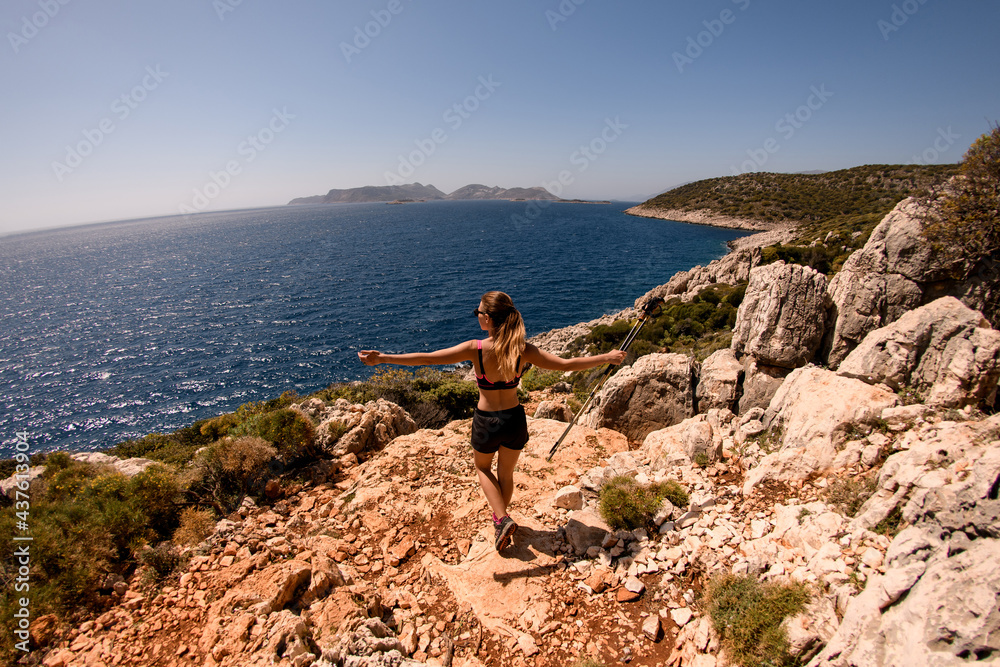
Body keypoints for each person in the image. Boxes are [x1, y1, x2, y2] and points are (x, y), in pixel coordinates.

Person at [358, 291, 626, 551]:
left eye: (478, 312)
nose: (476, 315)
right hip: (514, 420)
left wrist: (382, 358)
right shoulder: (523, 349)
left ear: (487, 318)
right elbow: (567, 364)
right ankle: (501, 520)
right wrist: (607, 357)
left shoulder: (475, 349)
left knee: (483, 469)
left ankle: (501, 519)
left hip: (486, 422)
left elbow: (427, 358)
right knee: (505, 474)